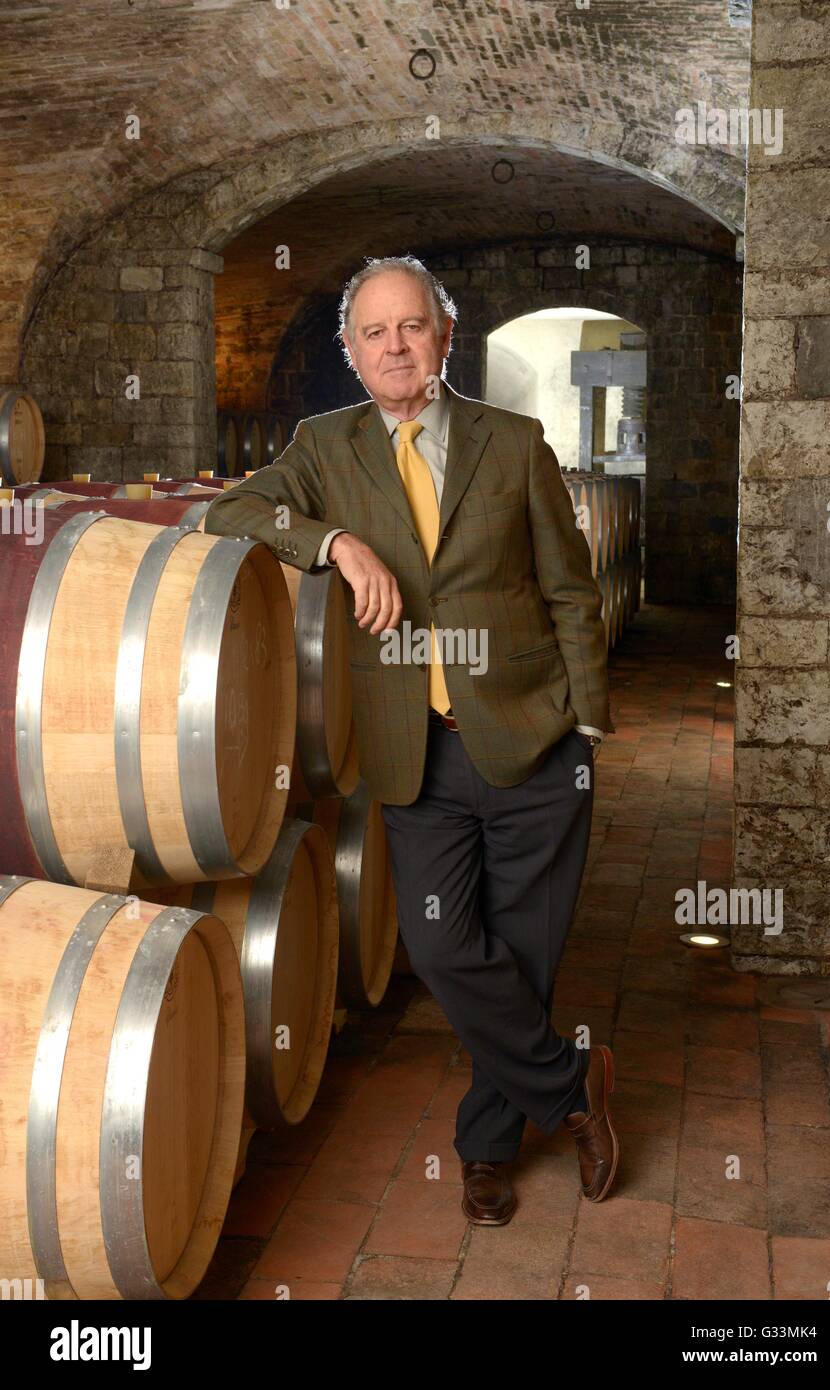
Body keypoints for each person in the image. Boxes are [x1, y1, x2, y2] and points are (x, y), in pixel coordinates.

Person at [204, 254, 619, 1223]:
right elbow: (234, 509)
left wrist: (588, 719)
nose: (395, 346)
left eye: (412, 326)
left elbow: (570, 587)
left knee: (525, 958)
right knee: (440, 948)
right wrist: (335, 544)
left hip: (534, 744)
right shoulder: (323, 445)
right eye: (374, 332)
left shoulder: (513, 442)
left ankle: (485, 1148)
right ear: (352, 353)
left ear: (444, 336)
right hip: (414, 753)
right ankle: (573, 1085)